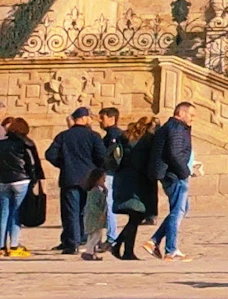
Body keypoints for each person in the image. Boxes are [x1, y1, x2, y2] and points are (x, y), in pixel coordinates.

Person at [47, 107, 109, 256]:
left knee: (71, 212)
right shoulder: (94, 136)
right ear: (85, 118)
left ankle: (72, 243)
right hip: (89, 178)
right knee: (85, 211)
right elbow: (102, 156)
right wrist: (96, 169)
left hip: (70, 178)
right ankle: (82, 239)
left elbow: (50, 154)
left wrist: (63, 164)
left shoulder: (63, 136)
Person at [110, 117, 159, 260]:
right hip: (138, 183)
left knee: (135, 216)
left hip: (123, 181)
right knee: (137, 215)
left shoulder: (125, 137)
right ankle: (122, 248)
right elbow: (141, 163)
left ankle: (122, 248)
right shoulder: (145, 141)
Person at [150, 101, 195, 260]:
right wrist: (185, 172)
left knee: (181, 208)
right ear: (181, 113)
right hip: (175, 175)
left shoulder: (173, 127)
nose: (192, 119)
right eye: (191, 115)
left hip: (171, 173)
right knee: (178, 211)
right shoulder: (176, 128)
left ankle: (154, 241)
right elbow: (174, 153)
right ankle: (171, 249)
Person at [0, 117, 40, 257]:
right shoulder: (25, 143)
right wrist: (35, 180)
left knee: (4, 213)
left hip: (3, 182)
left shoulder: (1, 144)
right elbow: (32, 164)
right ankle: (14, 246)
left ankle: (1, 246)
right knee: (16, 213)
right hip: (21, 181)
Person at [96, 107, 126, 255]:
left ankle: (112, 238)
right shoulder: (111, 134)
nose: (100, 121)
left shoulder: (114, 135)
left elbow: (109, 155)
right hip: (111, 173)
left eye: (102, 118)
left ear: (111, 118)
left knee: (108, 206)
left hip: (110, 174)